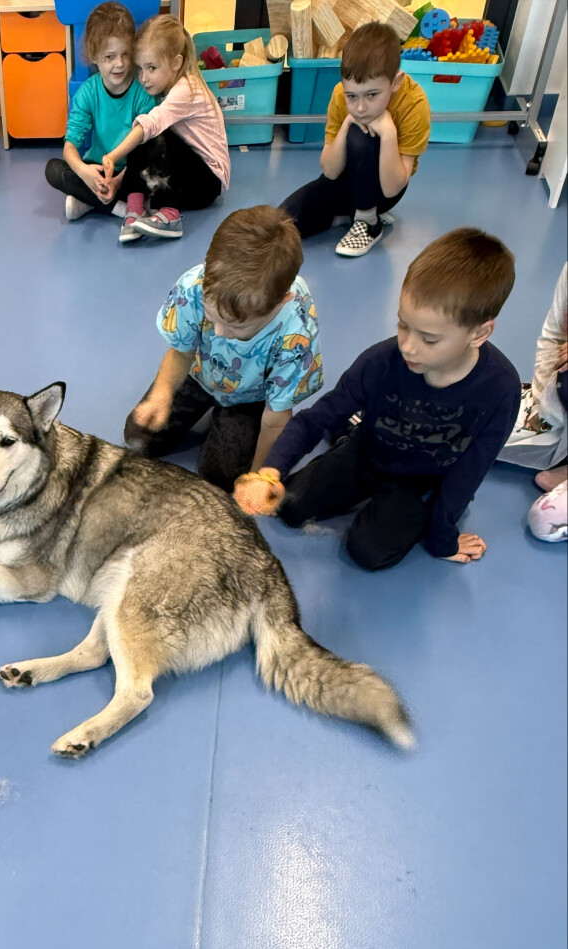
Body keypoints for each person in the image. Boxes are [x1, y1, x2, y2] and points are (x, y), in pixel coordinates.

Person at [235, 228, 519, 572]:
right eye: (403, 325)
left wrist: (443, 537)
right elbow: (317, 417)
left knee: (367, 552)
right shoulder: (380, 362)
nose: (408, 346)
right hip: (369, 450)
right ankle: (349, 433)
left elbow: (471, 469)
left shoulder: (500, 389)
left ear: (480, 333)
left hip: (423, 478)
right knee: (290, 507)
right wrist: (272, 470)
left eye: (429, 339)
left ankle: (411, 504)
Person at [124, 205, 322, 485]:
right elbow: (181, 351)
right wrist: (162, 394)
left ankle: (230, 421)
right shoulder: (195, 287)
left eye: (235, 326)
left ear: (281, 303)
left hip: (249, 396)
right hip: (198, 373)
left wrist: (257, 476)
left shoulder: (295, 332)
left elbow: (276, 417)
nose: (218, 332)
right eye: (212, 317)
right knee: (139, 436)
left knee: (221, 475)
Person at [280, 22, 430, 258]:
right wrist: (346, 124)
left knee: (361, 136)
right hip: (345, 181)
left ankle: (368, 221)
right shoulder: (340, 96)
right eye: (352, 95)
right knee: (280, 226)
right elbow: (330, 172)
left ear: (396, 82)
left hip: (383, 192)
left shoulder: (414, 103)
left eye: (372, 95)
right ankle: (347, 215)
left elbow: (393, 187)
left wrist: (389, 133)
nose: (360, 107)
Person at [101, 13, 229, 243]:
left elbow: (150, 128)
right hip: (185, 178)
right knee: (143, 130)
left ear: (176, 62)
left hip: (208, 183)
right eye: (140, 69)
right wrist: (121, 179)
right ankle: (135, 210)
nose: (143, 78)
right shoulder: (168, 87)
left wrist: (113, 156)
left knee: (151, 130)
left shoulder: (186, 89)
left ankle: (169, 214)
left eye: (151, 68)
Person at [44, 2, 155, 223]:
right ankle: (119, 208)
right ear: (94, 56)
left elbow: (149, 145)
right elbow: (70, 147)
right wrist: (85, 174)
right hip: (98, 172)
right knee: (53, 170)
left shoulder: (142, 91)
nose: (120, 64)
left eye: (125, 54)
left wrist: (118, 180)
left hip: (132, 175)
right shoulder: (88, 92)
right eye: (109, 57)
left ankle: (89, 202)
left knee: (155, 168)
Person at [498, 263, 567, 542]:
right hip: (561, 399)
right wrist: (547, 407)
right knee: (471, 427)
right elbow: (553, 337)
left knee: (545, 522)